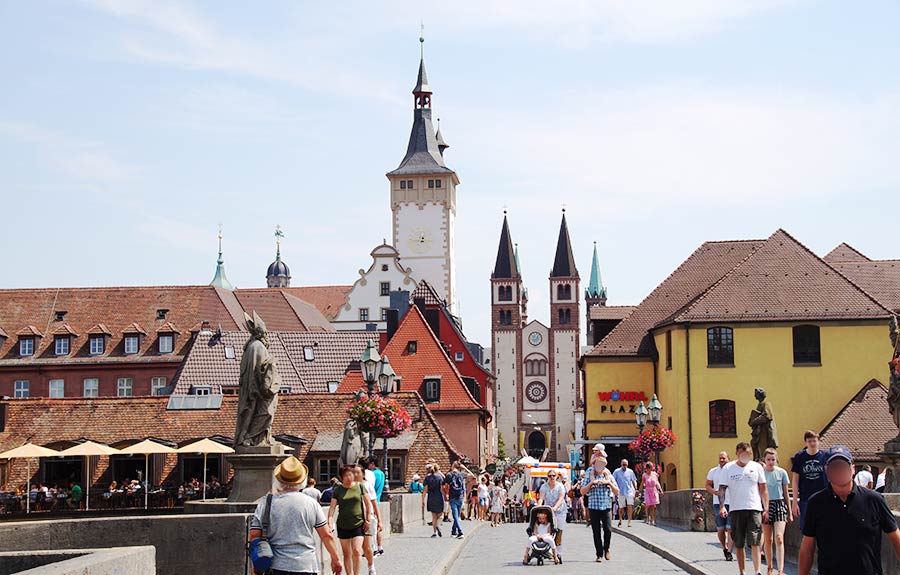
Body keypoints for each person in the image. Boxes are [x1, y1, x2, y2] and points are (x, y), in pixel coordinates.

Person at [799, 445, 900, 575]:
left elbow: (895, 537)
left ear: (852, 468)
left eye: (843, 465)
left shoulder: (874, 499)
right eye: (834, 467)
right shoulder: (816, 503)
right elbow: (808, 545)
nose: (839, 470)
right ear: (827, 471)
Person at [249, 456, 342, 575]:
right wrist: (336, 559)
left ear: (279, 480)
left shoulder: (266, 503)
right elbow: (326, 535)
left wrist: (256, 563)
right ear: (302, 480)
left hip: (276, 566)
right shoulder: (311, 503)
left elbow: (254, 535)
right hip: (305, 564)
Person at [718, 442, 768, 575]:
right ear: (737, 454)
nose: (745, 456)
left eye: (748, 453)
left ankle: (757, 571)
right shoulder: (728, 468)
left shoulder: (757, 467)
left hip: (754, 507)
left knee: (755, 541)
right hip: (736, 509)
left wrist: (766, 508)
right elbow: (722, 488)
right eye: (742, 453)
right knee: (739, 542)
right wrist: (722, 506)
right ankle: (742, 571)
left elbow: (763, 489)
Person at [329, 464, 370, 575]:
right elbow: (332, 508)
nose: (349, 477)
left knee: (357, 550)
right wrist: (329, 521)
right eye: (346, 475)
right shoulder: (338, 490)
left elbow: (368, 503)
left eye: (350, 474)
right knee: (347, 554)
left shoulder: (360, 487)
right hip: (343, 525)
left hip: (358, 523)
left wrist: (368, 520)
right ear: (341, 477)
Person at [581, 456, 619, 562]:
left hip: (606, 506)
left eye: (601, 464)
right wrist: (591, 483)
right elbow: (582, 491)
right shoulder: (589, 476)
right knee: (596, 532)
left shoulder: (608, 476)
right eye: (597, 464)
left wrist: (609, 483)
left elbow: (617, 492)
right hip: (594, 507)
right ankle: (599, 554)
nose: (599, 466)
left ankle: (606, 549)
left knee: (608, 529)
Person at [790, 430, 828, 530]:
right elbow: (795, 479)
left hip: (823, 497)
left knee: (823, 528)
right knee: (807, 529)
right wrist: (794, 501)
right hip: (805, 498)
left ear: (819, 441)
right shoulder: (799, 457)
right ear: (806, 442)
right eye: (809, 441)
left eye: (814, 441)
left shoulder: (824, 456)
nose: (812, 444)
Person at [762, 448, 791, 575]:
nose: (770, 462)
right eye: (768, 459)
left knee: (779, 537)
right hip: (766, 505)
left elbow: (786, 493)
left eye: (773, 459)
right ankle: (769, 566)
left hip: (779, 504)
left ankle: (780, 569)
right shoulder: (761, 473)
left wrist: (789, 512)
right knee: (768, 540)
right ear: (765, 460)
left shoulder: (781, 472)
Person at [706, 451, 735, 561]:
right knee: (721, 529)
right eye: (720, 458)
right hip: (718, 503)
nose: (722, 460)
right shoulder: (713, 471)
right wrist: (714, 491)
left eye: (724, 458)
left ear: (729, 458)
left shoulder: (732, 470)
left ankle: (729, 551)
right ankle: (724, 547)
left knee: (730, 528)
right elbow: (707, 485)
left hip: (731, 503)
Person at [353, 465, 382, 573]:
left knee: (367, 546)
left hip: (367, 519)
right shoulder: (348, 486)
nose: (355, 475)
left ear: (362, 475)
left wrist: (379, 520)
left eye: (357, 473)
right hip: (354, 520)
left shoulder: (367, 486)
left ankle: (371, 565)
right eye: (353, 473)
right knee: (355, 549)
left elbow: (374, 504)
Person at [538, 469, 568, 562]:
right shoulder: (544, 486)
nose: (551, 477)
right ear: (547, 477)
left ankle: (559, 552)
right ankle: (549, 550)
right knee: (548, 531)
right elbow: (541, 498)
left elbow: (561, 498)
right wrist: (538, 506)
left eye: (553, 476)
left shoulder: (560, 486)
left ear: (556, 477)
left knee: (558, 531)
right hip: (548, 511)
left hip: (560, 511)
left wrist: (555, 507)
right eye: (550, 476)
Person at [443, 460, 470, 539]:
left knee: (455, 516)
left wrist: (446, 494)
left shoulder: (449, 475)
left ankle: (460, 532)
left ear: (452, 466)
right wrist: (465, 468)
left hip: (452, 497)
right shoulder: (461, 474)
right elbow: (473, 476)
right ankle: (454, 531)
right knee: (457, 516)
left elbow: (445, 485)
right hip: (460, 497)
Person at [422, 463, 445, 538]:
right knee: (441, 515)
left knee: (433, 516)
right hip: (439, 497)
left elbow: (425, 490)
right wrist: (445, 496)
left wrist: (423, 500)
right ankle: (438, 525)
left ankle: (434, 532)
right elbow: (442, 489)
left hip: (431, 498)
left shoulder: (427, 478)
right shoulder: (439, 478)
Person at [612, 459, 637, 528]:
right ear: (621, 464)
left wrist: (635, 488)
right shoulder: (617, 471)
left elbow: (634, 480)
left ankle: (629, 521)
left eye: (626, 465)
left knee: (630, 506)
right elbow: (613, 480)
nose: (625, 466)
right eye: (623, 465)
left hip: (629, 491)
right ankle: (620, 520)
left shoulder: (630, 471)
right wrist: (614, 489)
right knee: (621, 507)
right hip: (620, 492)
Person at [640, 462, 663, 526]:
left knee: (654, 506)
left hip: (654, 490)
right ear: (647, 468)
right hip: (647, 490)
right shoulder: (644, 475)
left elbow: (657, 482)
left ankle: (653, 520)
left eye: (652, 467)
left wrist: (660, 489)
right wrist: (639, 491)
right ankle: (648, 518)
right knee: (647, 505)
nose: (652, 469)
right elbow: (642, 483)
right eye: (650, 468)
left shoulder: (655, 474)